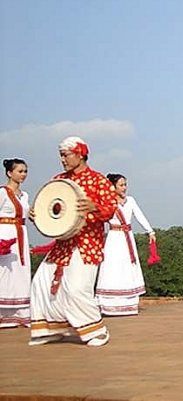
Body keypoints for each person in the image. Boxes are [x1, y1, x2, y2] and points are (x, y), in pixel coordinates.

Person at [29, 137, 116, 347]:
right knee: (42, 282)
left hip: (87, 242)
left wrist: (94, 207)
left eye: (65, 155)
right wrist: (37, 214)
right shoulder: (59, 180)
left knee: (78, 287)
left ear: (80, 154)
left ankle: (96, 331)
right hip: (63, 243)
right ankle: (52, 329)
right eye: (60, 155)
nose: (62, 160)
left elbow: (110, 209)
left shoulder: (98, 180)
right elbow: (52, 209)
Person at [95, 173, 156, 316]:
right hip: (114, 239)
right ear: (113, 187)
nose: (124, 188)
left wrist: (150, 231)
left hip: (127, 237)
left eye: (125, 185)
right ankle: (108, 304)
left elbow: (139, 216)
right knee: (113, 267)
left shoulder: (131, 201)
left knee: (128, 267)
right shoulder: (108, 203)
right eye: (121, 185)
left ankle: (128, 304)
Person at [0, 158, 30, 327]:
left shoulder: (24, 195)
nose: (23, 174)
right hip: (5, 234)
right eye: (20, 171)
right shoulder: (3, 193)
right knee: (4, 272)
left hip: (21, 235)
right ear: (9, 173)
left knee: (21, 271)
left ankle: (21, 313)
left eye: (25, 171)